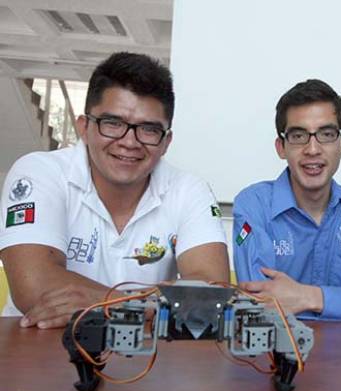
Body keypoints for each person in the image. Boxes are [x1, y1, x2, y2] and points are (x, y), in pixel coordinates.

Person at [0, 52, 230, 329]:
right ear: (84, 127)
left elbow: (212, 294)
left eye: (148, 129)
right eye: (113, 123)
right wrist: (145, 305)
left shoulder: (190, 190)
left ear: (166, 141)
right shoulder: (39, 172)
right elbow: (33, 288)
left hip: (144, 358)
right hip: (38, 351)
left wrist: (107, 302)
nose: (129, 142)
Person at [233, 79, 341, 323]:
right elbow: (260, 303)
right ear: (281, 147)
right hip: (274, 356)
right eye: (299, 135)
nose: (312, 149)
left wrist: (308, 297)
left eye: (327, 134)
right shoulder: (254, 205)